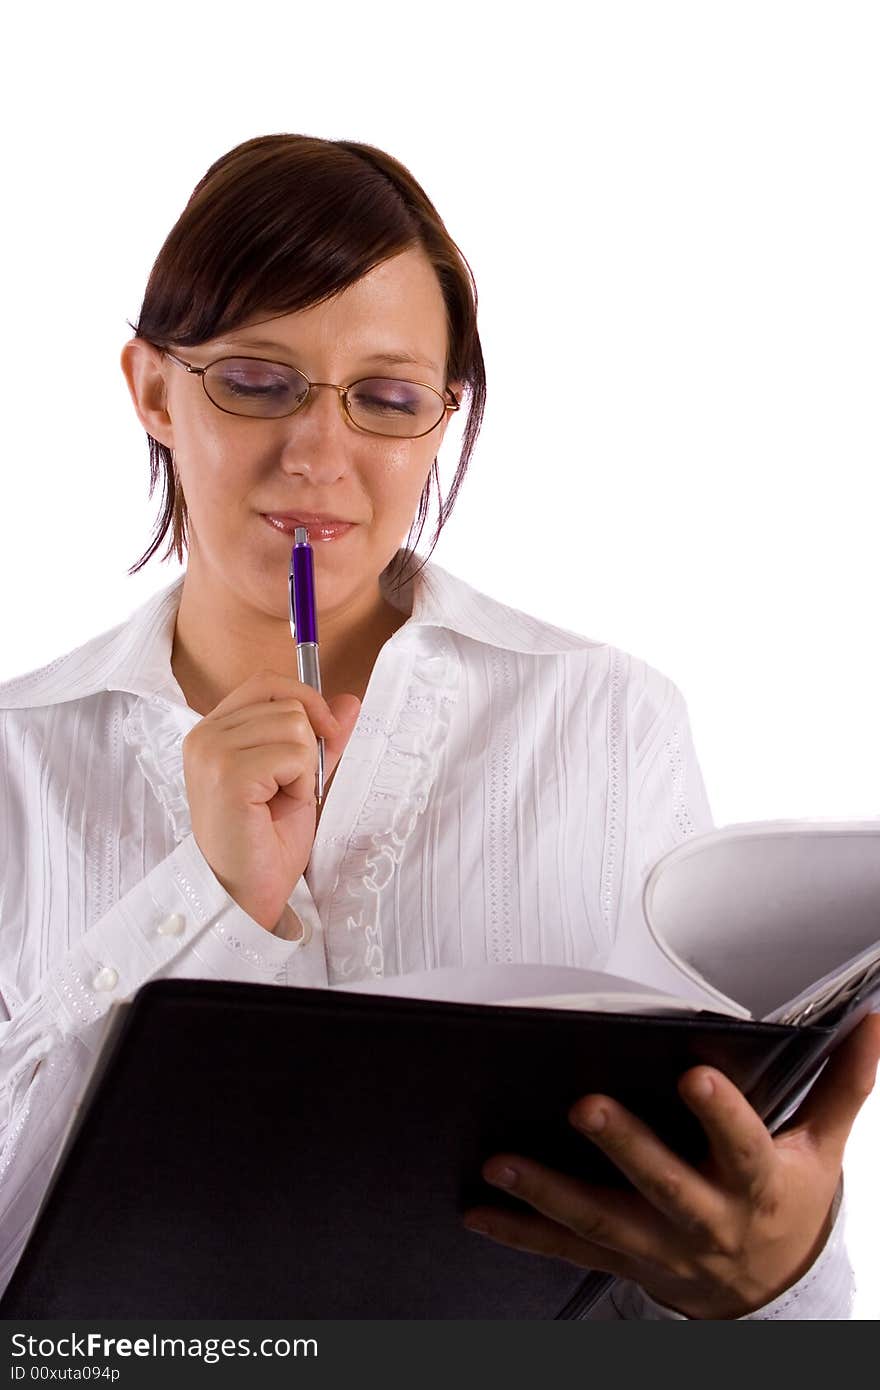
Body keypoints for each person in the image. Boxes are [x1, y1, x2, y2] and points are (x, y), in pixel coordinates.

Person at [0, 133, 877, 1320]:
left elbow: (705, 1261)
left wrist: (773, 1272)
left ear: (442, 417)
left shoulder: (606, 722)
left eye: (388, 398)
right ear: (153, 388)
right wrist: (206, 894)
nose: (320, 455)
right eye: (256, 380)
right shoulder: (17, 763)